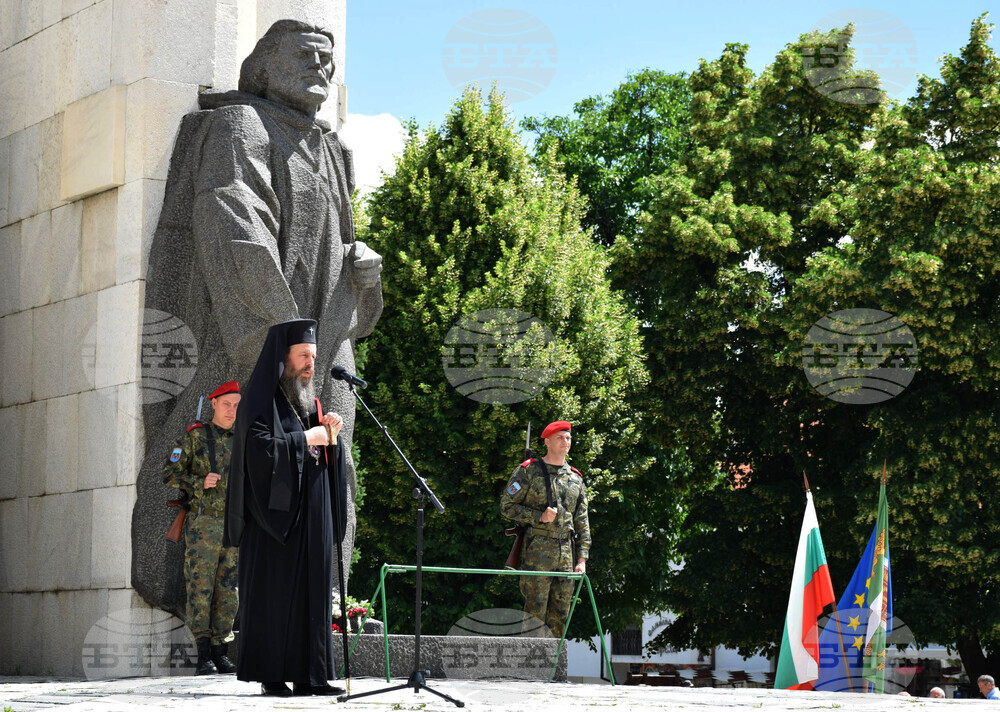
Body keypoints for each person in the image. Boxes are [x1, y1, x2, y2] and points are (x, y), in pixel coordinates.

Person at [136, 17, 383, 613]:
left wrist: (366, 276)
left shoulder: (332, 149)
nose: (322, 67)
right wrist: (287, 343)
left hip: (327, 349)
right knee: (249, 472)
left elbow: (346, 270)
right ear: (263, 68)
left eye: (328, 59)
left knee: (333, 470)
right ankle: (230, 610)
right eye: (305, 56)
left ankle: (322, 596)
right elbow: (234, 230)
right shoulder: (239, 125)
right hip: (258, 341)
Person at [225, 319, 349, 697]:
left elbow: (322, 450)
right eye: (304, 356)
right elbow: (257, 451)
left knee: (312, 595)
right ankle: (273, 676)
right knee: (274, 598)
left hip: (312, 515)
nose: (311, 363)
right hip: (273, 520)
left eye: (313, 356)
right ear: (285, 359)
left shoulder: (309, 403)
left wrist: (332, 435)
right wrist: (304, 439)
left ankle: (311, 675)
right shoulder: (260, 400)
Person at [161, 380, 241, 675]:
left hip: (232, 525)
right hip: (203, 524)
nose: (231, 410)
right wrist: (199, 482)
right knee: (200, 589)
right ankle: (202, 654)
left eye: (236, 406)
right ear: (214, 404)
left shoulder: (239, 439)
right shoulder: (194, 437)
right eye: (226, 404)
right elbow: (169, 473)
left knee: (228, 590)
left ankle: (222, 651)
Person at [500, 421, 591, 638]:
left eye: (568, 438)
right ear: (547, 442)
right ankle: (530, 669)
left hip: (566, 554)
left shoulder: (576, 478)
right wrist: (538, 517)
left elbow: (582, 521)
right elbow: (506, 505)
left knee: (561, 614)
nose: (565, 442)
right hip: (537, 551)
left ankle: (553, 668)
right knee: (535, 613)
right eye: (560, 437)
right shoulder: (529, 471)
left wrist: (582, 559)